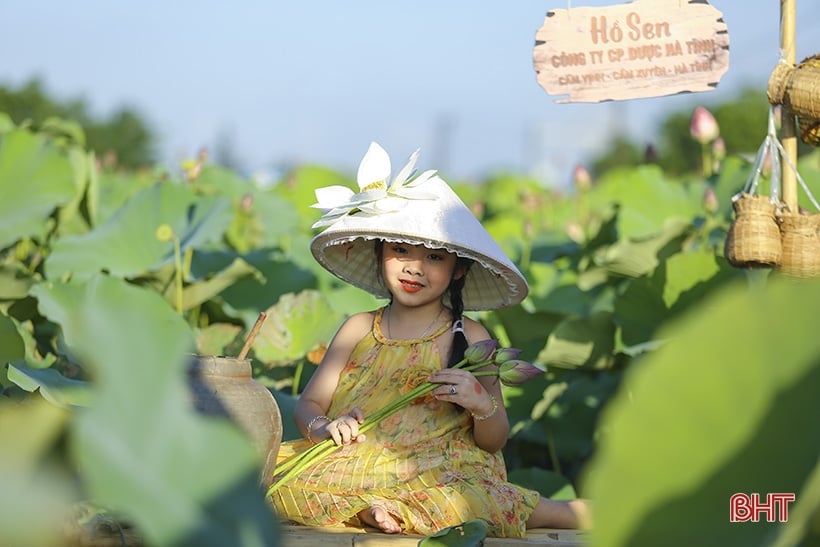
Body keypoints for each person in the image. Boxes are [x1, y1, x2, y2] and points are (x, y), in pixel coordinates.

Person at [269, 142, 590, 537]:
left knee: (471, 499)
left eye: (434, 257)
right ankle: (375, 509)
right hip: (356, 462)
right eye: (400, 250)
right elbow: (310, 403)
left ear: (458, 270)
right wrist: (323, 427)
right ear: (379, 252)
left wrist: (479, 403)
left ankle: (557, 511)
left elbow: (493, 441)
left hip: (439, 468)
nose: (414, 268)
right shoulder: (356, 328)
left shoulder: (471, 337)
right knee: (276, 481)